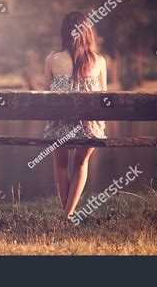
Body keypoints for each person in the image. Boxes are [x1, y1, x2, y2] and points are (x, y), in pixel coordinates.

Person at [43, 11, 107, 218]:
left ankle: (67, 215)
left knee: (61, 165)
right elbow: (105, 100)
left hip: (59, 125)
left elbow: (45, 98)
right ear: (88, 33)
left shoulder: (51, 60)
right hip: (89, 128)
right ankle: (68, 215)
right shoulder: (99, 61)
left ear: (64, 34)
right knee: (81, 163)